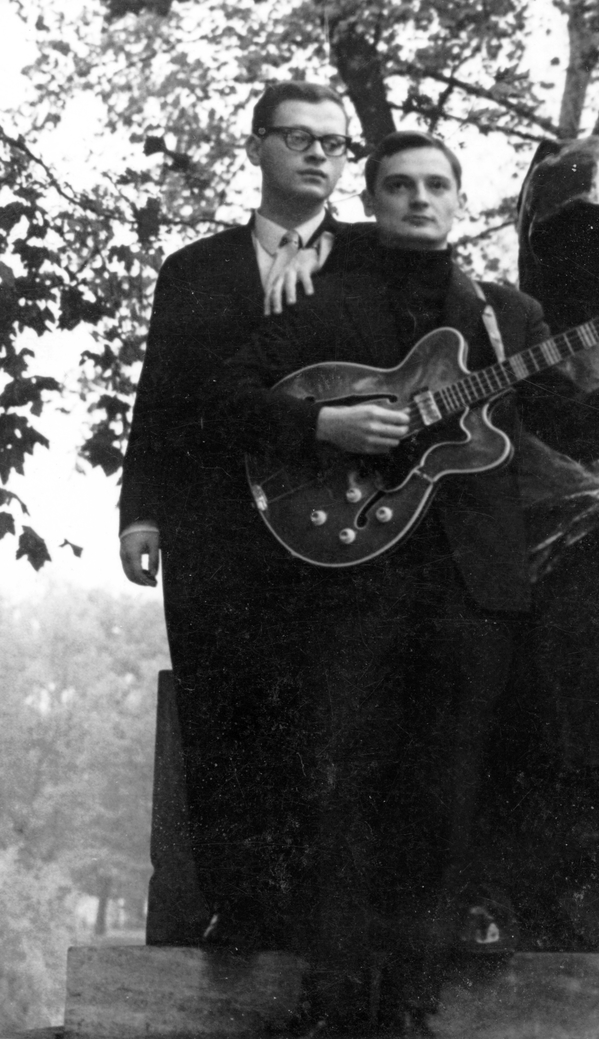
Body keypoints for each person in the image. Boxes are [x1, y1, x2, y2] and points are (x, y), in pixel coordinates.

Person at [216, 129, 599, 1033]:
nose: (419, 200)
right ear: (375, 198)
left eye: (436, 186)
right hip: (358, 578)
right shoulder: (323, 296)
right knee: (347, 787)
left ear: (460, 201)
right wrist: (324, 426)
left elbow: (572, 436)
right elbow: (224, 398)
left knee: (447, 795)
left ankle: (411, 1004)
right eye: (399, 186)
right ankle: (334, 1000)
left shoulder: (505, 312)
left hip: (474, 586)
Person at [118, 80, 351, 946]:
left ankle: (319, 904)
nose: (319, 154)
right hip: (212, 521)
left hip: (333, 524)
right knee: (219, 708)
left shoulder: (365, 260)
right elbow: (162, 400)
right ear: (256, 148)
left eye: (336, 142)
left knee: (322, 704)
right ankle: (237, 905)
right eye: (299, 137)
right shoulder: (194, 269)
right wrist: (140, 512)